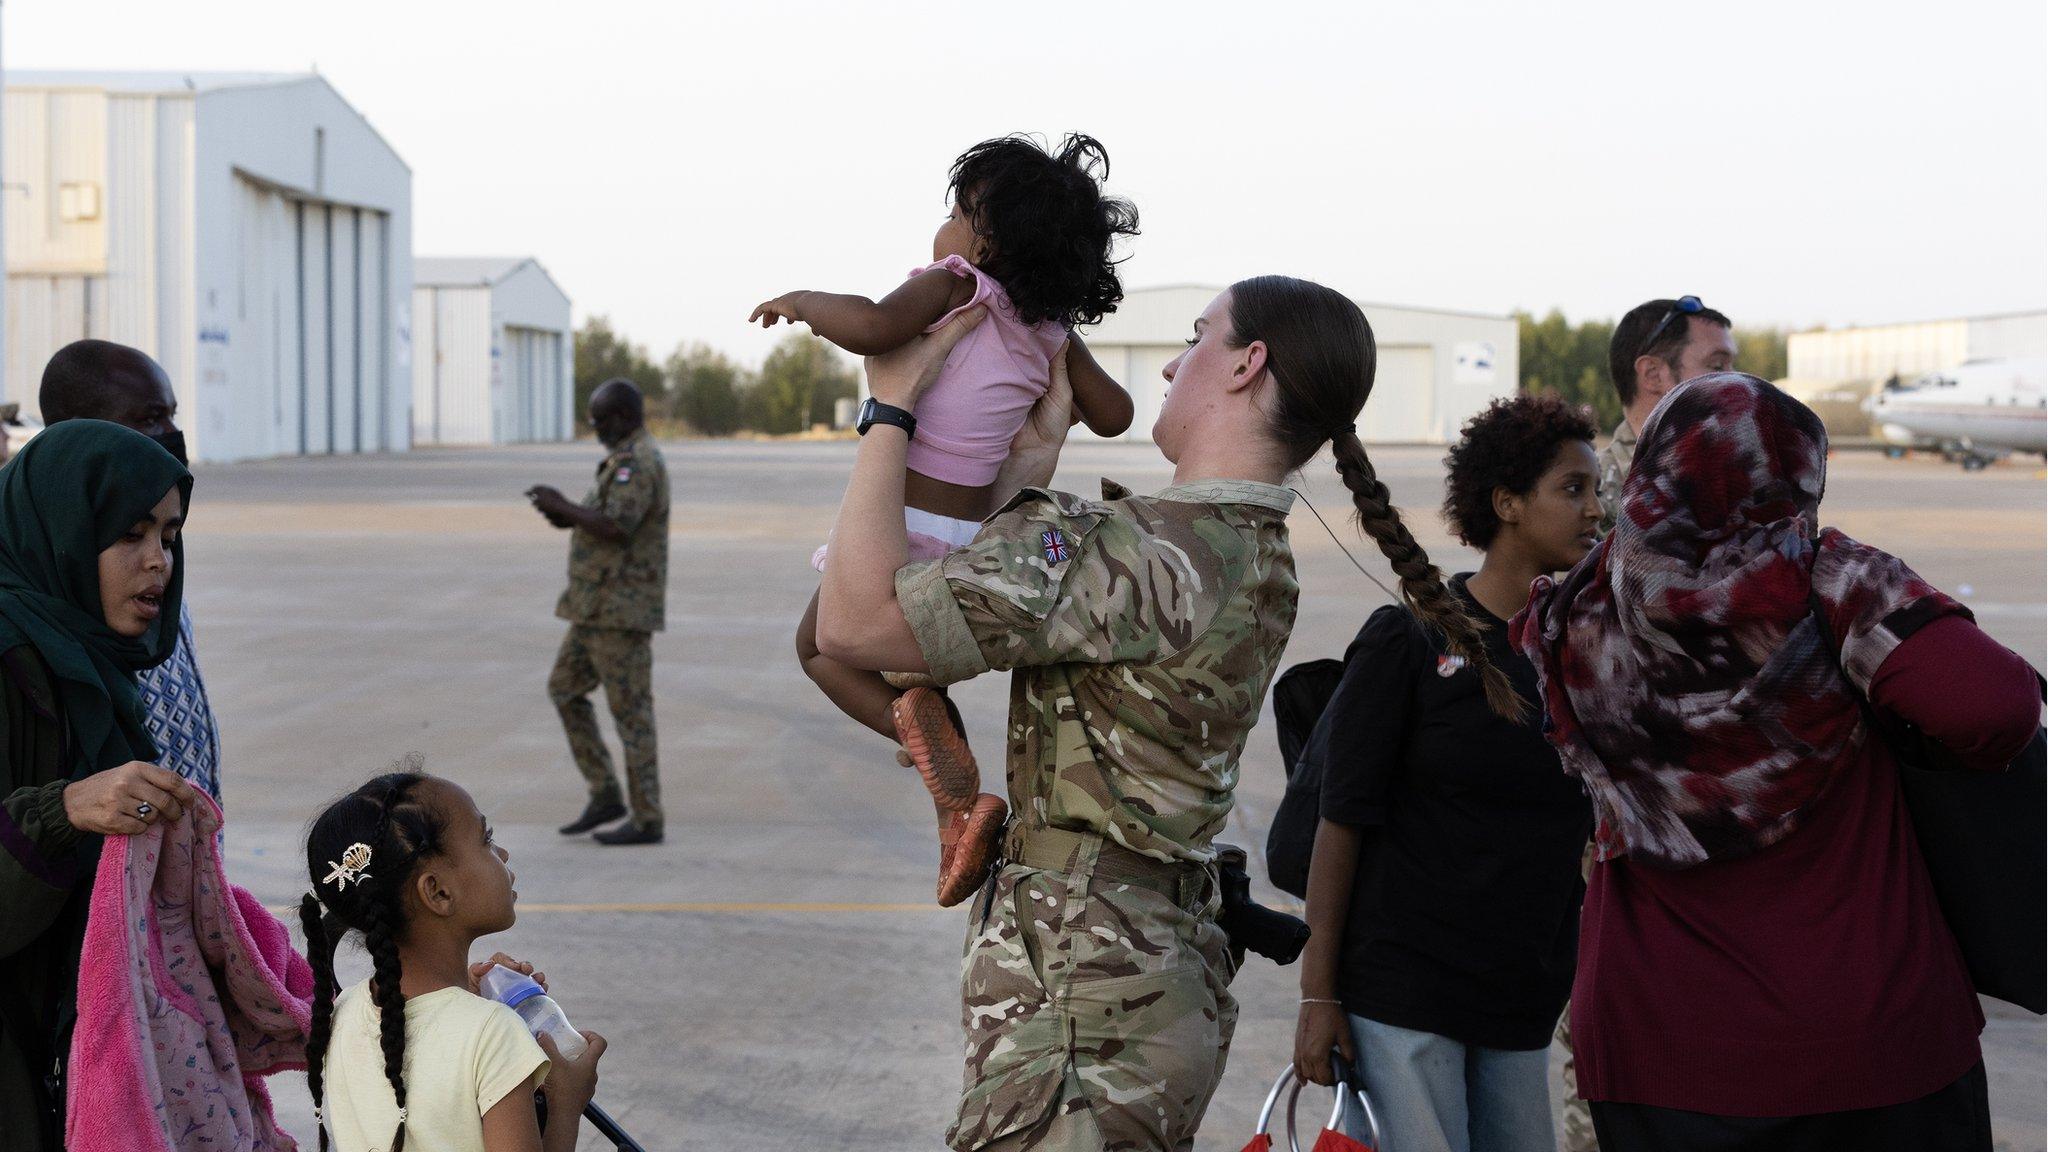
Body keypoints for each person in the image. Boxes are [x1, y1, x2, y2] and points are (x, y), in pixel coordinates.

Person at [814, 276, 1516, 1152]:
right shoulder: (1244, 551)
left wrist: (890, 411)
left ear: (1247, 364)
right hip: (1143, 981)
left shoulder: (1130, 550)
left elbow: (849, 627)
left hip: (1081, 1009)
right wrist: (1029, 476)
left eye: (1197, 337)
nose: (1176, 363)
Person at [1514, 373, 2042, 1152]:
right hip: (1862, 1042)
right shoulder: (1826, 580)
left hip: (1653, 1041)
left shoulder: (1576, 607)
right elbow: (1993, 708)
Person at [754, 133, 1138, 906]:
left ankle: (930, 748)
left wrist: (803, 303)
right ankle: (951, 793)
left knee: (820, 647)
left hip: (899, 523)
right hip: (976, 541)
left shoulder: (955, 283)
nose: (945, 228)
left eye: (957, 212)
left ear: (984, 240)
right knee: (911, 672)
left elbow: (870, 327)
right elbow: (1116, 414)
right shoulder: (1051, 328)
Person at [1291, 395, 1599, 1152]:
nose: (1597, 510)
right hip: (1405, 997)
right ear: (1507, 505)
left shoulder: (1584, 652)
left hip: (1523, 999)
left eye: (1599, 491)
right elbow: (1342, 819)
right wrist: (1319, 994)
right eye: (1574, 489)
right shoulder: (1408, 640)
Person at [0, 420, 201, 1151]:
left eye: (170, 537)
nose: (158, 563)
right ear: (60, 531)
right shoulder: (11, 660)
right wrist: (59, 813)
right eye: (130, 535)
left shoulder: (93, 664)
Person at [299, 768, 607, 1152]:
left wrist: (466, 997)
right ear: (439, 893)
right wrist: (565, 1104)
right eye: (486, 839)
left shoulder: (345, 1011)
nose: (503, 853)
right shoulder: (494, 1034)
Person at [39, 339, 223, 802]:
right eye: (149, 419)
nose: (171, 435)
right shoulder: (39, 625)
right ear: (78, 433)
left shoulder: (156, 582)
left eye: (166, 538)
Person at [526, 379, 670, 846]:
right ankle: (606, 793)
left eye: (601, 420)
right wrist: (565, 513)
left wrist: (564, 505)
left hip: (619, 613)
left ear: (624, 418)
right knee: (565, 690)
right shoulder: (621, 460)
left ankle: (647, 818)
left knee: (632, 715)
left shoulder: (639, 462)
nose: (595, 429)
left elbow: (617, 524)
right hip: (593, 608)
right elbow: (601, 516)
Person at [1595, 297, 1735, 533]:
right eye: (1718, 366)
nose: (1736, 380)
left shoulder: (1736, 475)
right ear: (1653, 375)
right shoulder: (1594, 493)